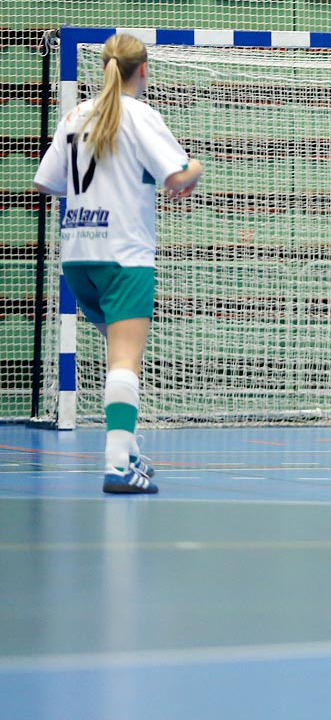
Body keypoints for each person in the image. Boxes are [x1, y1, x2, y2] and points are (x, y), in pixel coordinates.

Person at [33, 32, 204, 494]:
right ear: (143, 70)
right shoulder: (141, 116)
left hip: (79, 259)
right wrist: (196, 170)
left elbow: (45, 183)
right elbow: (177, 177)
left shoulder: (74, 116)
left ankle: (127, 451)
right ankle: (116, 465)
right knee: (125, 361)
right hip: (124, 256)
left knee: (120, 357)